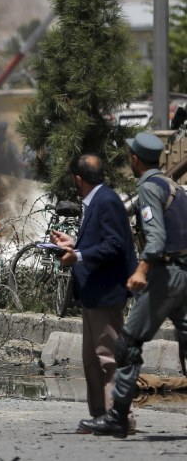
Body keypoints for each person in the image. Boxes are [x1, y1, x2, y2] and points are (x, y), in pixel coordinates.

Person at [79, 132, 187, 437]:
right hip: (184, 273)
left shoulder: (150, 189)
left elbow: (156, 239)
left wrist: (142, 270)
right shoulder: (175, 187)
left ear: (135, 160)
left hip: (165, 276)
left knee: (126, 345)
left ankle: (117, 417)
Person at [50, 154, 136, 431]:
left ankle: (121, 416)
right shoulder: (98, 199)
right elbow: (102, 240)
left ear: (78, 179)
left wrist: (79, 256)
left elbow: (114, 245)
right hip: (93, 293)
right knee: (91, 359)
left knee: (108, 357)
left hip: (105, 293)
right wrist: (74, 244)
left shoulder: (106, 200)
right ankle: (100, 415)